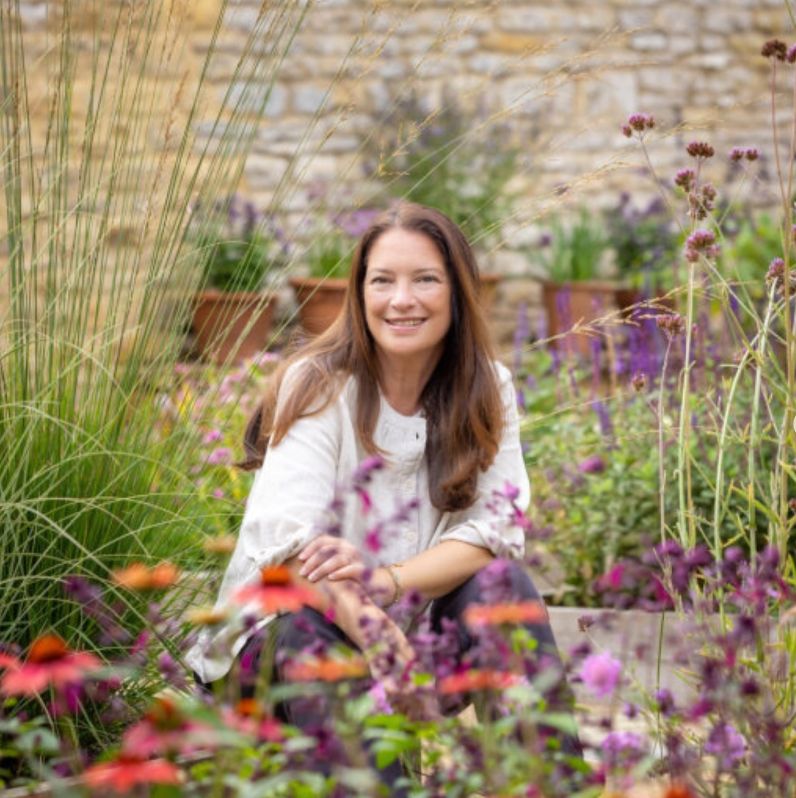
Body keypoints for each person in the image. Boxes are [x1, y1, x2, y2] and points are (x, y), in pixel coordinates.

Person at [186, 202, 578, 790]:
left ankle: (545, 787)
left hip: (410, 638)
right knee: (311, 632)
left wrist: (386, 584)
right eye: (382, 281)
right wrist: (371, 625)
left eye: (425, 279)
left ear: (457, 292)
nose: (402, 300)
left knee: (506, 591)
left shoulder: (487, 388)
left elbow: (492, 530)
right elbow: (287, 548)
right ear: (359, 293)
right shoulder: (318, 383)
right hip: (281, 656)